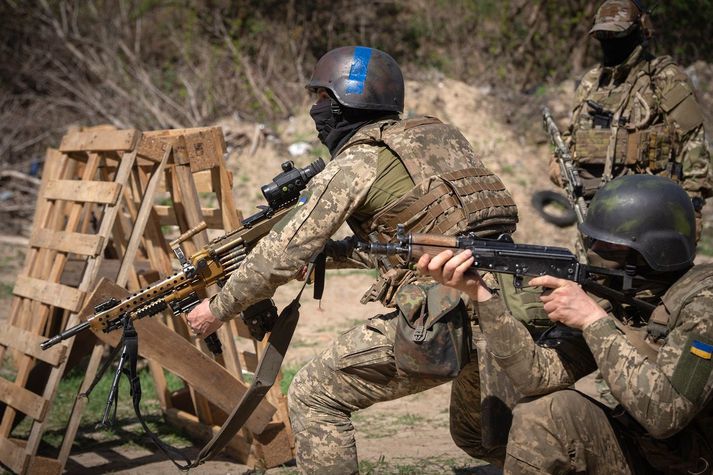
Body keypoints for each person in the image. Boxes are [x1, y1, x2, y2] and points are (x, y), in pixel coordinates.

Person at [186, 46, 521, 472]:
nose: (315, 109)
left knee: (312, 394)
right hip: (510, 303)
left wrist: (216, 310)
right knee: (480, 436)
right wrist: (332, 254)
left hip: (451, 317)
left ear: (347, 103)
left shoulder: (358, 160)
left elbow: (278, 256)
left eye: (323, 98)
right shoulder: (438, 137)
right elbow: (424, 239)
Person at [420, 174, 713, 474]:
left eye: (609, 246)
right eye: (593, 240)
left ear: (653, 251)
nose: (594, 251)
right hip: (646, 450)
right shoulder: (618, 300)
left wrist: (592, 320)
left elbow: (665, 415)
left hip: (693, 462)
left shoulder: (704, 305)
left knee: (546, 415)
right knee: (542, 412)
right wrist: (480, 294)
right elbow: (537, 375)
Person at [550, 0, 712, 235]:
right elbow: (572, 136)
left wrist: (692, 207)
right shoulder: (591, 82)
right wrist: (558, 164)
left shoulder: (664, 78)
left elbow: (693, 143)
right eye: (604, 37)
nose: (611, 44)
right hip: (596, 214)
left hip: (651, 213)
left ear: (641, 31)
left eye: (618, 36)